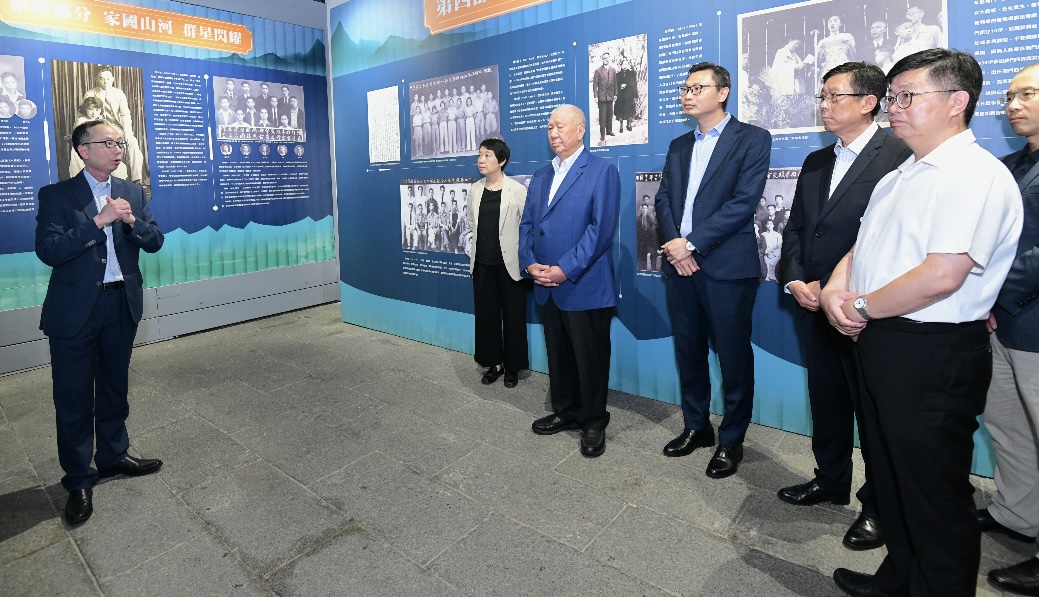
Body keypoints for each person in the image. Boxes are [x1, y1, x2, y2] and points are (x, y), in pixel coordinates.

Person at [822, 49, 1023, 597]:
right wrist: (837, 290)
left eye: (907, 96)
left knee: (934, 492)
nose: (894, 107)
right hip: (883, 339)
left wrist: (860, 308)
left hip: (932, 350)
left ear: (957, 102)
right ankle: (902, 579)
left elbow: (942, 274)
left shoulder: (974, 174)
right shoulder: (900, 174)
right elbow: (861, 248)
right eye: (892, 97)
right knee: (893, 476)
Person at [777, 61, 911, 552]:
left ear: (869, 102)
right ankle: (830, 479)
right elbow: (796, 227)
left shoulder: (899, 155)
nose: (825, 105)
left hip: (865, 310)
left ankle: (878, 505)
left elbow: (896, 240)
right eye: (823, 96)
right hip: (812, 304)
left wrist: (843, 290)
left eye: (836, 96)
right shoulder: (817, 161)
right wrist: (796, 280)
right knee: (827, 399)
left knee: (873, 411)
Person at [35, 119, 165, 525]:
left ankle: (112, 455)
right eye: (107, 142)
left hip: (120, 304)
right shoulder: (57, 195)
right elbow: (49, 250)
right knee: (73, 396)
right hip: (76, 310)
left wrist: (131, 222)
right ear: (83, 150)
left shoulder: (132, 192)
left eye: (120, 142)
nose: (117, 149)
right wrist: (98, 222)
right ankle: (78, 478)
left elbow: (155, 241)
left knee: (114, 386)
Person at [656, 62, 771, 478]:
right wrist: (676, 247)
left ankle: (731, 440)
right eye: (685, 88)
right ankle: (697, 426)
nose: (687, 95)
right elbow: (663, 199)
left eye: (697, 88)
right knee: (688, 351)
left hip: (726, 266)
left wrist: (691, 243)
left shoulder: (752, 138)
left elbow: (743, 202)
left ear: (722, 93)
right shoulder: (679, 145)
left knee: (733, 357)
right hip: (680, 265)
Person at [520, 104, 620, 458]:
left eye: (560, 126)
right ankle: (566, 411)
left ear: (580, 130)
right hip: (545, 284)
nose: (553, 133)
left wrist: (564, 268)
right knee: (559, 353)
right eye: (549, 127)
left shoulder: (601, 171)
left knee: (590, 357)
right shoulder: (541, 175)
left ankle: (593, 421)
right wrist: (529, 263)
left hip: (583, 284)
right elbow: (527, 225)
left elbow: (600, 230)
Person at [977, 62, 1039, 597]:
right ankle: (1018, 515)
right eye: (1010, 97)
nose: (1014, 105)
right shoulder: (1010, 165)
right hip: (1001, 322)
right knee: (1008, 424)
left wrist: (994, 294)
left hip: (1030, 320)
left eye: (1028, 95)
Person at [467, 138, 530, 388]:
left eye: (487, 156)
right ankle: (493, 364)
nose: (481, 160)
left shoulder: (517, 190)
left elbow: (527, 227)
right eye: (480, 155)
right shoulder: (475, 190)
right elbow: (471, 223)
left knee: (514, 317)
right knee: (486, 316)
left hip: (510, 265)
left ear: (501, 160)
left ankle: (513, 366)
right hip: (482, 264)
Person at [84, 65, 145, 184]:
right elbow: (84, 114)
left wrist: (127, 132)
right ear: (97, 79)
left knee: (132, 142)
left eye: (108, 78)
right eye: (101, 78)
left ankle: (137, 179)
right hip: (99, 128)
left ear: (112, 79)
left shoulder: (119, 93)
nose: (105, 81)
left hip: (116, 127)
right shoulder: (90, 94)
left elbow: (125, 114)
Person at [69, 97, 129, 181]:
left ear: (100, 110)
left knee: (119, 167)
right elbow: (79, 138)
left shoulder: (101, 121)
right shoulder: (81, 120)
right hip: (86, 149)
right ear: (85, 109)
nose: (94, 113)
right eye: (90, 109)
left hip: (99, 148)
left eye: (97, 110)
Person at [815, 16, 857, 82]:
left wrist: (850, 45)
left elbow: (854, 56)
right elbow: (818, 61)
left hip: (843, 69)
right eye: (830, 21)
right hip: (828, 70)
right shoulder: (822, 42)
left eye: (835, 21)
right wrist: (819, 51)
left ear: (840, 23)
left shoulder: (847, 36)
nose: (832, 23)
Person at [593, 53, 618, 143]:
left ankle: (609, 131)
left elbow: (615, 83)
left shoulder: (613, 70)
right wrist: (595, 96)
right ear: (602, 60)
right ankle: (602, 135)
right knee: (602, 117)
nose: (605, 59)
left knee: (610, 115)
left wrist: (615, 94)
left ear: (609, 58)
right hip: (602, 97)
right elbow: (595, 85)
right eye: (604, 58)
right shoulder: (598, 71)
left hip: (610, 96)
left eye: (607, 58)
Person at [614, 58, 637, 133]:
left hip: (629, 95)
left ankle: (629, 124)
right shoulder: (617, 75)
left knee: (629, 110)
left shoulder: (632, 74)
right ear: (621, 65)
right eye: (623, 64)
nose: (625, 66)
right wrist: (620, 86)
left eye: (626, 64)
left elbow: (634, 84)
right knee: (620, 111)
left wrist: (635, 95)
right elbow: (615, 85)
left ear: (628, 65)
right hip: (620, 96)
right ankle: (621, 125)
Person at [636, 197, 658, 270]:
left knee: (653, 254)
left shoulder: (650, 219)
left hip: (649, 241)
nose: (644, 210)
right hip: (641, 242)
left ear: (647, 210)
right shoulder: (637, 219)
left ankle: (653, 270)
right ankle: (642, 269)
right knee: (641, 258)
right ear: (641, 209)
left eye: (646, 208)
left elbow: (653, 230)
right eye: (643, 208)